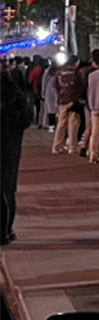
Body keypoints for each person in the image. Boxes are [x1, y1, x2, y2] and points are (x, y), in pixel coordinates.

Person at [1, 73, 34, 246]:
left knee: (3, 192)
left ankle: (3, 232)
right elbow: (25, 120)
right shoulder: (18, 104)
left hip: (5, 150)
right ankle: (7, 230)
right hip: (11, 151)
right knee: (8, 190)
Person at [51, 57, 81, 154]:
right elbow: (79, 86)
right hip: (72, 100)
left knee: (61, 124)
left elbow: (55, 86)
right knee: (73, 124)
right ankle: (72, 146)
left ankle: (56, 146)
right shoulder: (76, 73)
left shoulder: (59, 72)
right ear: (76, 63)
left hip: (62, 100)